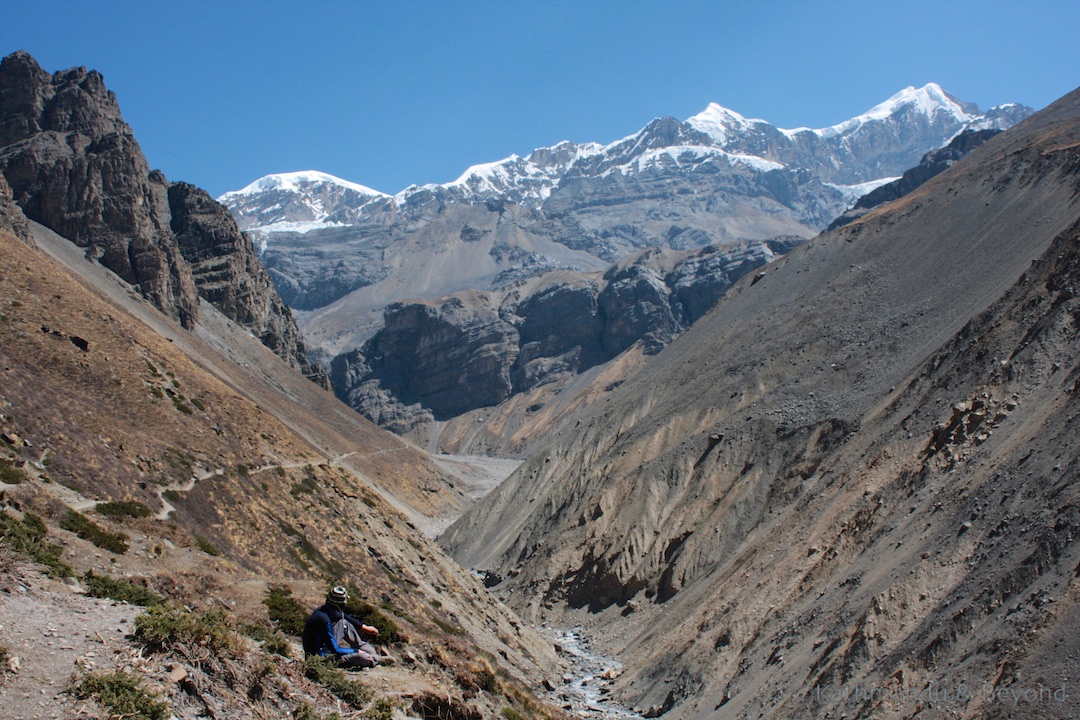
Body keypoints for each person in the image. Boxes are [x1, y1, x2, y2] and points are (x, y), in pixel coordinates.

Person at [302, 586, 390, 668]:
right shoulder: (323, 620)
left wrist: (364, 627)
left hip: (326, 648)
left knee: (343, 623)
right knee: (363, 657)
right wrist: (355, 651)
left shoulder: (325, 611)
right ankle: (376, 659)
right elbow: (335, 649)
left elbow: (343, 616)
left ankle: (368, 650)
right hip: (322, 658)